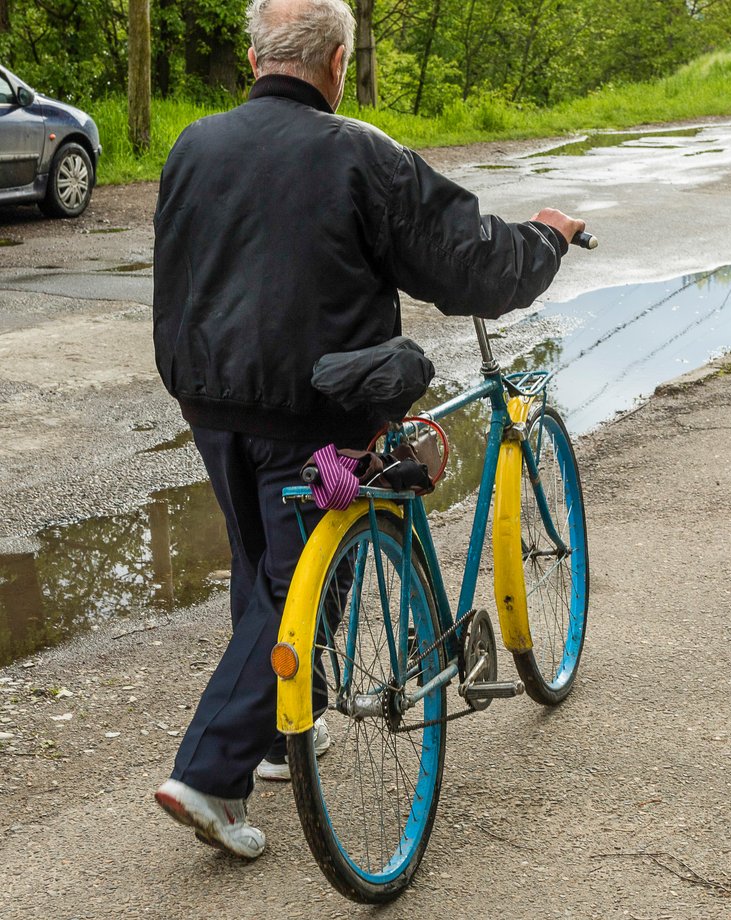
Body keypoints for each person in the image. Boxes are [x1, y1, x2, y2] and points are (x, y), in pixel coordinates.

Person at [151, 0, 585, 860]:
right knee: (292, 592)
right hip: (313, 407)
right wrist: (545, 237)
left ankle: (279, 737)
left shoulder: (193, 144)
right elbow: (471, 265)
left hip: (208, 400)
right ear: (338, 64)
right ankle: (208, 773)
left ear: (253, 58)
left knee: (265, 568)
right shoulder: (361, 154)